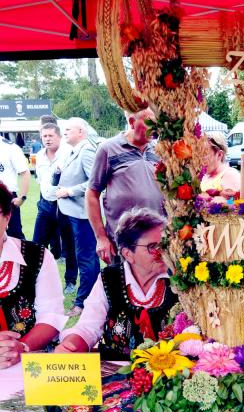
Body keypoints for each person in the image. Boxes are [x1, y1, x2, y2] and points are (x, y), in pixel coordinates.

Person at [57, 208, 180, 359]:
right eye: (153, 247)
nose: (163, 252)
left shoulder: (180, 279)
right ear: (128, 254)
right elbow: (88, 327)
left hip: (170, 370)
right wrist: (70, 346)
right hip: (114, 369)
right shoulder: (110, 278)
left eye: (165, 244)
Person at [0, 182, 66, 368]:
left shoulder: (37, 256)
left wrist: (19, 348)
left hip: (29, 363)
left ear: (7, 217)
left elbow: (51, 316)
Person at [86, 107, 164, 265]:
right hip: (123, 242)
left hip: (156, 239)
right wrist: (101, 238)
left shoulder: (158, 151)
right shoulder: (108, 149)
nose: (155, 128)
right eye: (149, 123)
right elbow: (91, 194)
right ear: (132, 122)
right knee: (123, 280)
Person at [55, 118, 100, 317]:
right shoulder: (75, 150)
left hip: (83, 215)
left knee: (86, 258)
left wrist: (69, 191)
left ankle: (83, 302)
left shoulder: (87, 150)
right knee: (86, 257)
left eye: (68, 129)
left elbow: (94, 182)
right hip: (72, 212)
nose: (64, 132)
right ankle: (93, 297)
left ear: (81, 131)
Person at [33, 123, 78, 295]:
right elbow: (41, 181)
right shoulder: (39, 155)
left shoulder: (69, 153)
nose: (47, 139)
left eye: (51, 135)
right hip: (45, 205)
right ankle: (37, 281)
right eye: (44, 136)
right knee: (37, 245)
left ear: (59, 137)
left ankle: (70, 281)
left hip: (65, 204)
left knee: (69, 245)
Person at [0, 135, 30, 239]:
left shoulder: (10, 148)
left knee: (14, 236)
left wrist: (22, 197)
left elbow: (24, 172)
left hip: (5, 197)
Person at [199, 132, 241, 198]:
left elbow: (233, 202)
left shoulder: (230, 174)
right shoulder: (203, 175)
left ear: (219, 154)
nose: (200, 158)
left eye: (205, 154)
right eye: (199, 153)